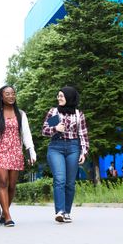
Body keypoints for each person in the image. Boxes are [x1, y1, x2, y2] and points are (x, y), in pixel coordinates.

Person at [0, 85, 36, 227]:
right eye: (7, 94)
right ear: (1, 97)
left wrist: (31, 151)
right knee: (3, 181)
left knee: (12, 186)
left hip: (15, 151)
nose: (11, 96)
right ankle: (8, 217)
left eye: (13, 93)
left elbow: (26, 134)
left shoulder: (21, 114)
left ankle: (4, 212)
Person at [42, 86, 89, 223]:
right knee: (60, 179)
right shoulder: (55, 112)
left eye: (61, 96)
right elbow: (44, 130)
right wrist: (55, 128)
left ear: (69, 97)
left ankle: (67, 212)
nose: (59, 98)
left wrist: (84, 152)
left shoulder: (78, 114)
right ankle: (60, 211)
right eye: (58, 95)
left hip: (73, 148)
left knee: (70, 183)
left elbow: (83, 135)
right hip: (56, 147)